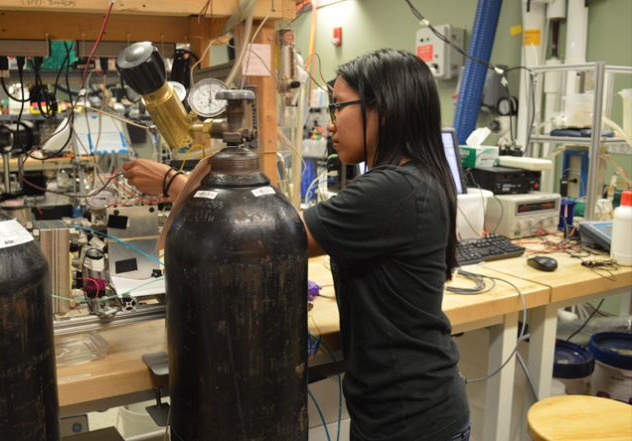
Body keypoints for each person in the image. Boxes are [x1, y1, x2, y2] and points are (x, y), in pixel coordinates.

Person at [123, 48, 470, 441]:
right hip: (403, 412)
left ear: (383, 110)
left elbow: (271, 238)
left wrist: (175, 183)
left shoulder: (394, 190)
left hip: (411, 422)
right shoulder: (417, 180)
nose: (330, 125)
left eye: (340, 106)